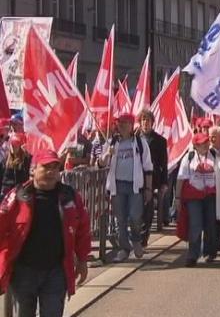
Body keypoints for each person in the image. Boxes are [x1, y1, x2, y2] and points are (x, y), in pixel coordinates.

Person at [0, 149, 91, 317]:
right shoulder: (16, 197)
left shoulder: (69, 197)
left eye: (55, 168)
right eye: (46, 167)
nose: (51, 172)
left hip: (55, 272)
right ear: (33, 170)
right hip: (23, 273)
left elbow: (83, 229)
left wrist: (83, 260)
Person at [100, 113, 154, 263]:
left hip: (135, 187)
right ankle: (124, 248)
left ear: (131, 125)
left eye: (125, 123)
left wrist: (149, 189)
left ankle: (136, 239)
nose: (122, 125)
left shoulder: (140, 143)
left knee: (135, 217)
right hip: (117, 186)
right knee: (120, 219)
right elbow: (100, 163)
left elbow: (148, 167)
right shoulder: (111, 143)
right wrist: (106, 156)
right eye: (119, 123)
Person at [175, 133, 219, 267]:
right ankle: (193, 254)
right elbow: (180, 179)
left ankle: (209, 252)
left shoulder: (215, 155)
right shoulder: (189, 158)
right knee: (195, 225)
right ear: (195, 145)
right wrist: (177, 198)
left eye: (206, 142)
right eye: (201, 143)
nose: (205, 145)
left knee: (211, 224)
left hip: (211, 196)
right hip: (194, 197)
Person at [137, 109, 169, 243]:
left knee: (148, 207)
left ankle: (144, 235)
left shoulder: (160, 141)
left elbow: (164, 163)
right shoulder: (134, 139)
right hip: (136, 178)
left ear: (152, 123)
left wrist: (164, 183)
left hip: (152, 179)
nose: (145, 123)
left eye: (148, 120)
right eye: (143, 120)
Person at [0, 133, 31, 202]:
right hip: (6, 196)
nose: (14, 147)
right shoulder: (5, 160)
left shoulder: (28, 159)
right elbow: (2, 179)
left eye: (16, 145)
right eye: (12, 145)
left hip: (21, 195)